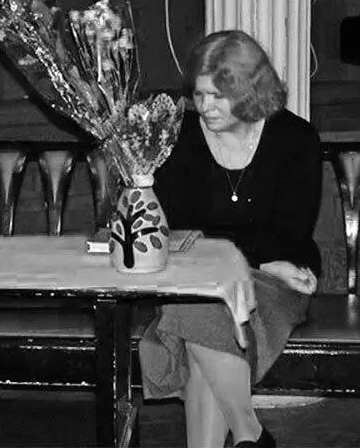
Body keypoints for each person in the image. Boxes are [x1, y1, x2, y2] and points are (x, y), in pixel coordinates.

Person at [139, 30, 321, 448]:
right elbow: (178, 228)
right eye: (199, 94)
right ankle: (248, 432)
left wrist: (254, 262)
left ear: (250, 91)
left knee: (197, 316)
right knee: (201, 304)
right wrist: (253, 254)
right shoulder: (180, 138)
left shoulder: (295, 139)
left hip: (276, 278)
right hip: (207, 274)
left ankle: (249, 435)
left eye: (218, 96)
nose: (205, 107)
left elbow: (289, 231)